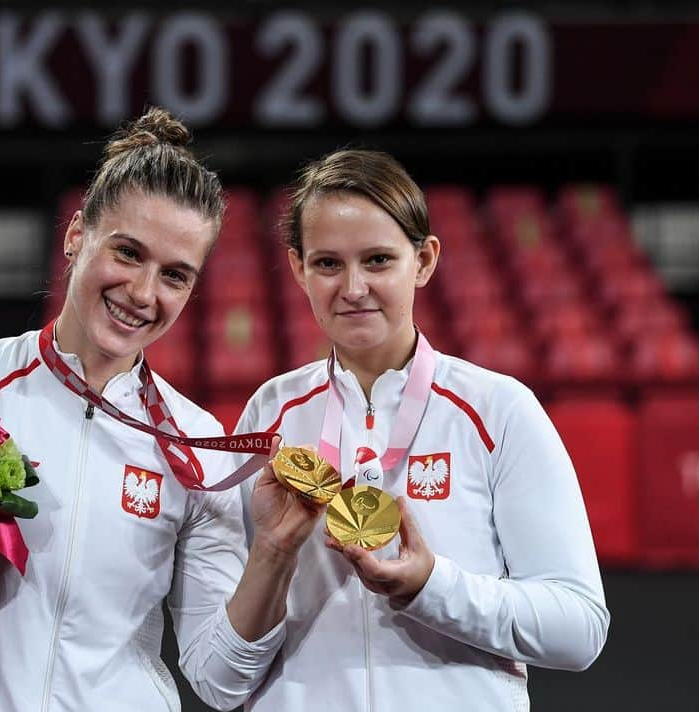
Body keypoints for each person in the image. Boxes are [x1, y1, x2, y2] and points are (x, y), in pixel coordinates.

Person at [0, 108, 320, 712]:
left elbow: (218, 677)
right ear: (77, 236)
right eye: (128, 253)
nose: (143, 293)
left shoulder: (198, 446)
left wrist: (276, 553)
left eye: (175, 275)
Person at [235, 150, 609, 711]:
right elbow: (226, 661)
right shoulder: (270, 415)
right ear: (297, 268)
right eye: (328, 264)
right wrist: (271, 554)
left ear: (425, 260)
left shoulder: (499, 410)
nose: (353, 287)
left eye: (379, 260)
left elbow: (578, 628)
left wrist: (432, 587)